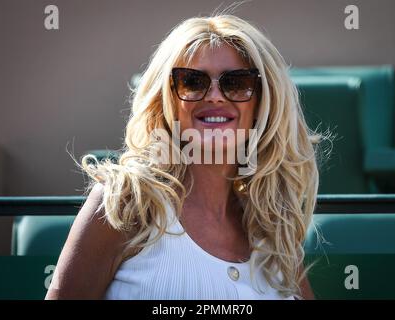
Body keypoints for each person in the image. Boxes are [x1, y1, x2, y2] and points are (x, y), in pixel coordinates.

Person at [46, 14, 320, 300]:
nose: (215, 96)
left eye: (237, 82)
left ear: (263, 102)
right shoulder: (126, 202)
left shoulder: (273, 227)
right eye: (192, 81)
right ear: (167, 100)